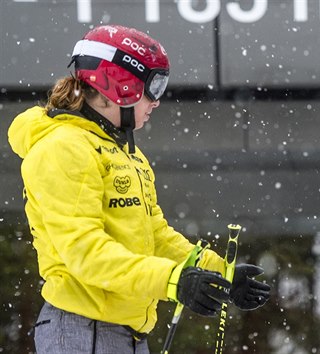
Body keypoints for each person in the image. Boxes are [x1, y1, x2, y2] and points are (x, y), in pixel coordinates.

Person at [7, 25, 271, 353]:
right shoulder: (63, 149)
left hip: (125, 334)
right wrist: (174, 281)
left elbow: (155, 238)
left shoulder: (127, 154)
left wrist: (222, 274)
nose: (157, 101)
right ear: (119, 85)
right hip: (83, 329)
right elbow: (86, 254)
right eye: (154, 86)